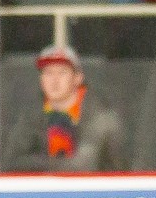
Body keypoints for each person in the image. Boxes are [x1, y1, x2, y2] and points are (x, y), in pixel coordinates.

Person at [7, 42, 122, 172]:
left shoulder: (101, 117)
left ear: (77, 78)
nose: (54, 80)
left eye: (62, 73)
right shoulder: (31, 114)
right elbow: (12, 163)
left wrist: (42, 164)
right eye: (48, 73)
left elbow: (83, 166)